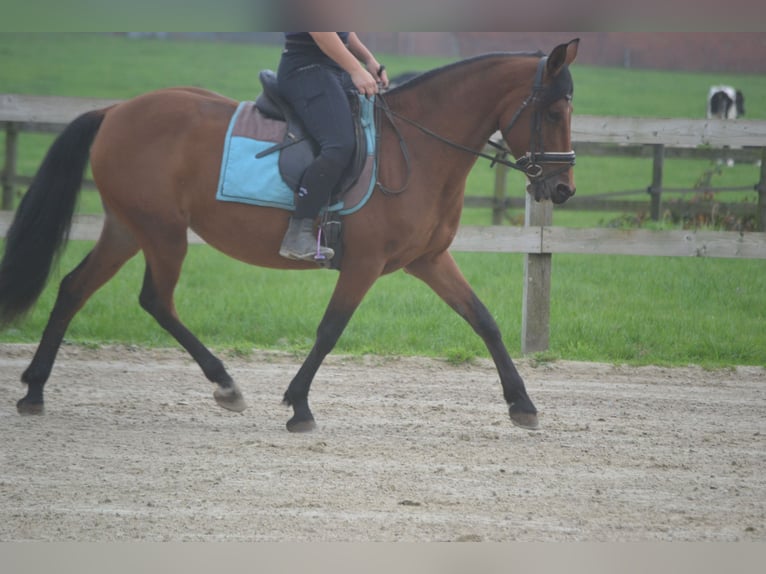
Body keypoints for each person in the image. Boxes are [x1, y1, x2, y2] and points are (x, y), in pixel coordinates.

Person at [277, 32, 389, 261]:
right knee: (339, 144)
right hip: (305, 70)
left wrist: (369, 60)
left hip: (335, 70)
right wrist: (356, 70)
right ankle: (299, 231)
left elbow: (344, 32)